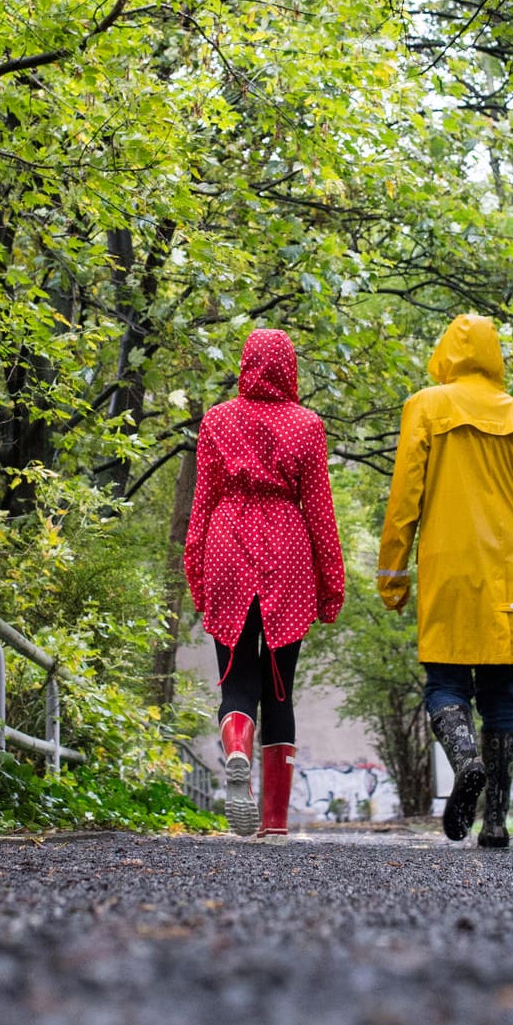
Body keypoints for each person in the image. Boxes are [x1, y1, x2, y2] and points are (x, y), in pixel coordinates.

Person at [376, 313, 513, 848]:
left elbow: (404, 498)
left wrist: (393, 576)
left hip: (449, 566)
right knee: (501, 693)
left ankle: (465, 758)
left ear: (448, 351)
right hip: (507, 576)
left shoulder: (425, 407)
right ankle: (494, 821)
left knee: (446, 684)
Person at [185, 327, 345, 838]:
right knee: (281, 689)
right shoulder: (307, 425)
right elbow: (320, 511)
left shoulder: (216, 420)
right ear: (289, 368)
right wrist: (331, 583)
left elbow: (202, 504)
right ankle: (274, 822)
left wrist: (196, 569)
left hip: (226, 546)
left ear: (245, 365)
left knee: (237, 678)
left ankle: (236, 749)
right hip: (289, 551)